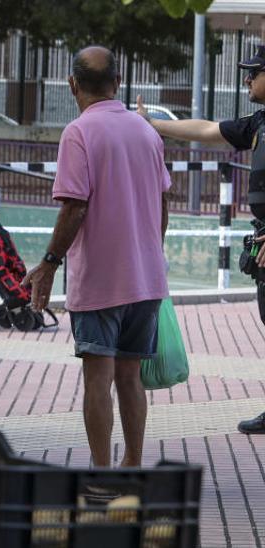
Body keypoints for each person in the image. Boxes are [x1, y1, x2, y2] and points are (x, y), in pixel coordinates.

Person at [24, 46, 169, 468]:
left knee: (98, 378)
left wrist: (49, 264)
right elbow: (164, 200)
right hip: (146, 279)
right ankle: (134, 466)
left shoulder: (79, 132)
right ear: (119, 84)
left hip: (101, 280)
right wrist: (150, 251)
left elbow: (75, 206)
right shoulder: (147, 131)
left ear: (73, 84)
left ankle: (103, 470)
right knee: (131, 378)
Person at [138, 44, 265, 436]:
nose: (247, 78)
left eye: (254, 72)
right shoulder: (259, 122)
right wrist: (153, 124)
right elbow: (209, 129)